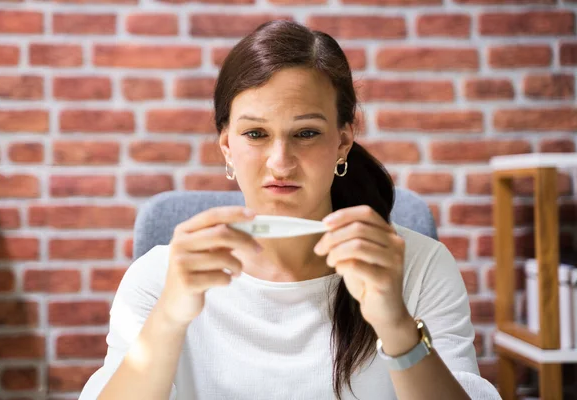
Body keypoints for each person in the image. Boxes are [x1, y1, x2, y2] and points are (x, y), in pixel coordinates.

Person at [79, 20, 501, 400]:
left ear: (343, 139)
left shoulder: (420, 268)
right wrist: (168, 319)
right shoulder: (160, 277)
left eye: (306, 133)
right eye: (256, 133)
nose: (280, 162)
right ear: (227, 145)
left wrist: (395, 324)